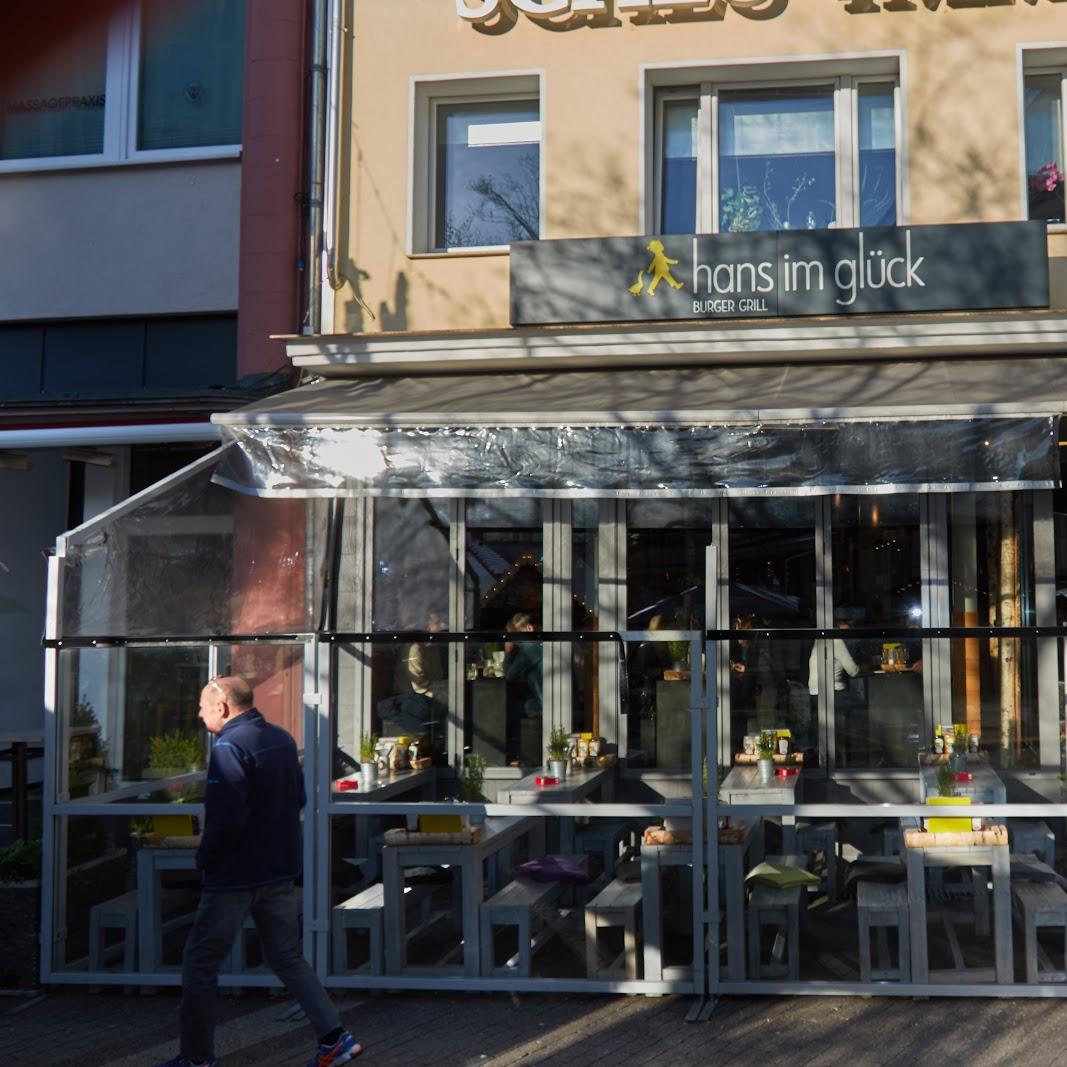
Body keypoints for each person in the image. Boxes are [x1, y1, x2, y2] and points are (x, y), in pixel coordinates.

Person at [154, 675, 362, 1067]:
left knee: (200, 965)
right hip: (278, 871)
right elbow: (298, 797)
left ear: (222, 706)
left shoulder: (229, 747)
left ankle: (196, 1058)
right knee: (287, 956)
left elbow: (226, 818)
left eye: (201, 706)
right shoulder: (282, 740)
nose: (198, 714)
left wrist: (205, 859)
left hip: (234, 876)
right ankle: (335, 1037)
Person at [504, 612, 543, 763]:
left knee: (509, 709)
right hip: (543, 698)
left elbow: (509, 675)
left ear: (529, 629)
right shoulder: (538, 644)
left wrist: (508, 652)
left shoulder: (530, 648)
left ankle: (515, 755)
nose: (517, 640)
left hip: (543, 703)